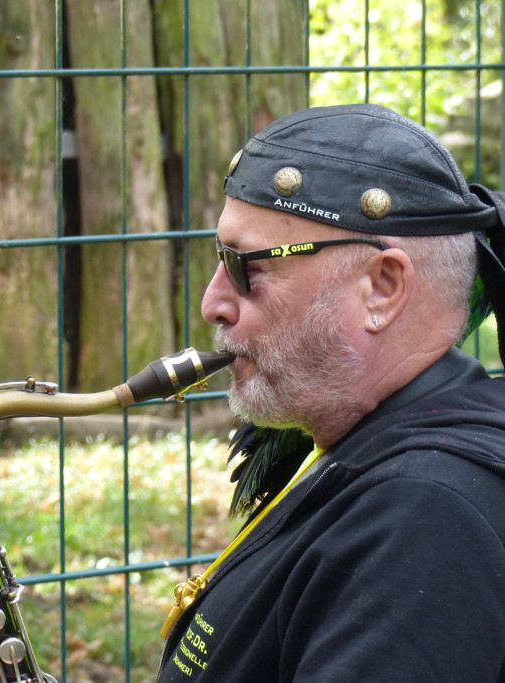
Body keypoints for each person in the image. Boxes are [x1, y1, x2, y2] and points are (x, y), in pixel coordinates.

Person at [157, 103, 505, 682]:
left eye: (246, 268)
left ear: (381, 289)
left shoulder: (426, 521)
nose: (212, 303)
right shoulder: (355, 443)